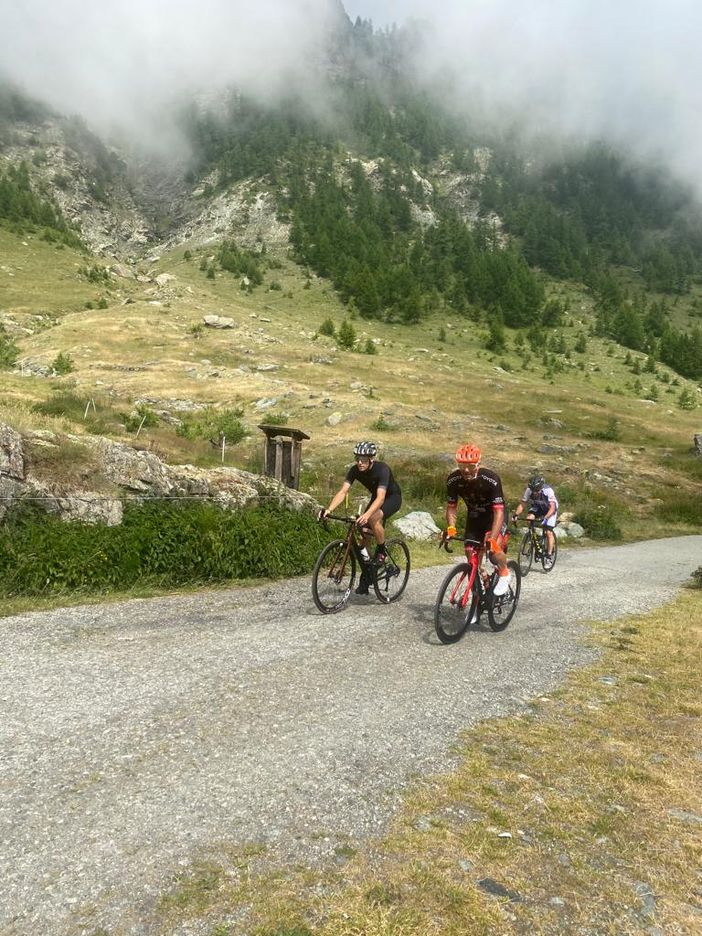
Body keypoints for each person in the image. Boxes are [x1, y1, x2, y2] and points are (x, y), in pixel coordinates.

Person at [320, 441, 402, 595]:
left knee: (372, 519)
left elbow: (381, 498)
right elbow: (343, 491)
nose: (359, 462)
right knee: (364, 539)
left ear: (371, 459)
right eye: (357, 458)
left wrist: (367, 514)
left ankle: (382, 551)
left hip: (392, 498)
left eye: (363, 459)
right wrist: (329, 509)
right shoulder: (354, 470)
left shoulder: (382, 469)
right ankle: (369, 573)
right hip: (376, 497)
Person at [445, 443, 511, 598]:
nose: (466, 470)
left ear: (478, 464)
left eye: (471, 466)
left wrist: (493, 539)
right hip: (475, 516)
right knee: (470, 556)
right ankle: (479, 589)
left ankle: (504, 572)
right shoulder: (453, 480)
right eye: (462, 465)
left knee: (494, 551)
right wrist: (451, 528)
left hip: (494, 516)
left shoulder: (491, 479)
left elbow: (499, 511)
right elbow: (452, 506)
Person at [512, 474, 559, 562]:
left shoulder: (548, 490)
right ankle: (535, 539)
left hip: (549, 510)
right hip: (538, 507)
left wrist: (545, 518)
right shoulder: (529, 490)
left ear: (541, 488)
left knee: (548, 531)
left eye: (537, 490)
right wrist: (516, 515)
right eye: (533, 490)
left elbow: (552, 507)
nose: (534, 492)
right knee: (529, 519)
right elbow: (523, 504)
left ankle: (548, 556)